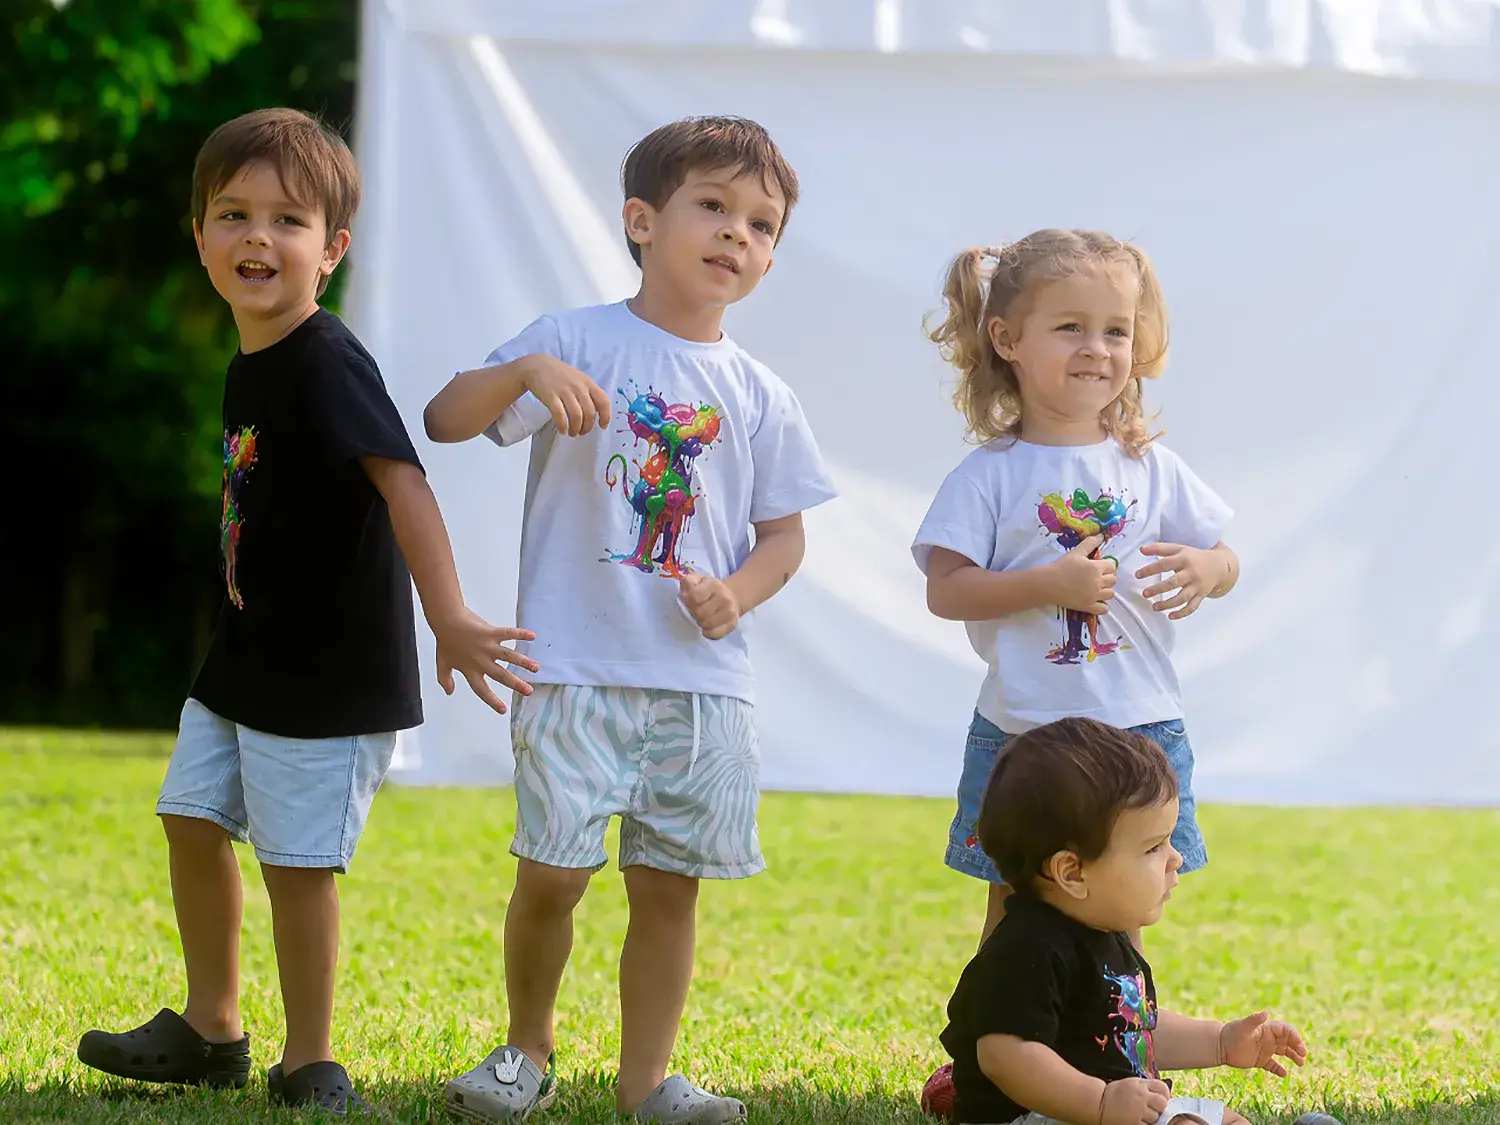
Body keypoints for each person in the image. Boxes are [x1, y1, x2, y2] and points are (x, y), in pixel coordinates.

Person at [75, 107, 537, 1114]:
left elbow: (404, 483)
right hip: (246, 657)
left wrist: (450, 617)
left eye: (287, 220)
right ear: (198, 235)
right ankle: (212, 1027)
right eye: (232, 214)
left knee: (298, 866)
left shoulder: (325, 357)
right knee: (190, 819)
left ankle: (312, 1059)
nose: (256, 238)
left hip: (327, 675)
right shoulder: (251, 361)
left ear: (330, 251)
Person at [422, 115, 837, 1123]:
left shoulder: (761, 394)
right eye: (714, 207)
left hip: (701, 684)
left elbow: (785, 537)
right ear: (642, 221)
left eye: (761, 224)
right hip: (573, 666)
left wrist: (735, 595)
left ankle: (648, 1081)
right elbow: (442, 419)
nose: (737, 234)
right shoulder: (572, 341)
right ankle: (526, 1050)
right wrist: (522, 375)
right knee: (554, 873)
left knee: (669, 888)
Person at [912, 230, 1240, 953]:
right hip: (1025, 731)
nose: (1097, 348)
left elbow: (1225, 556)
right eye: (1070, 328)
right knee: (1017, 899)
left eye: (1115, 330)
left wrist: (1206, 570)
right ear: (1007, 338)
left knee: (1124, 907)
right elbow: (947, 588)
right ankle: (996, 1046)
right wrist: (1047, 583)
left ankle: (1112, 1044)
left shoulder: (1149, 467)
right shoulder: (990, 476)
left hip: (1138, 728)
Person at [940, 717, 1328, 1125]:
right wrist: (1100, 1102)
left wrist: (1221, 1042)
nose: (1175, 858)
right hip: (1041, 1114)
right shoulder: (1026, 949)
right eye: (1153, 847)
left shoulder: (1106, 935)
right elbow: (1005, 1055)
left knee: (1226, 1120)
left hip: (1110, 1107)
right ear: (1072, 873)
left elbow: (1136, 1035)